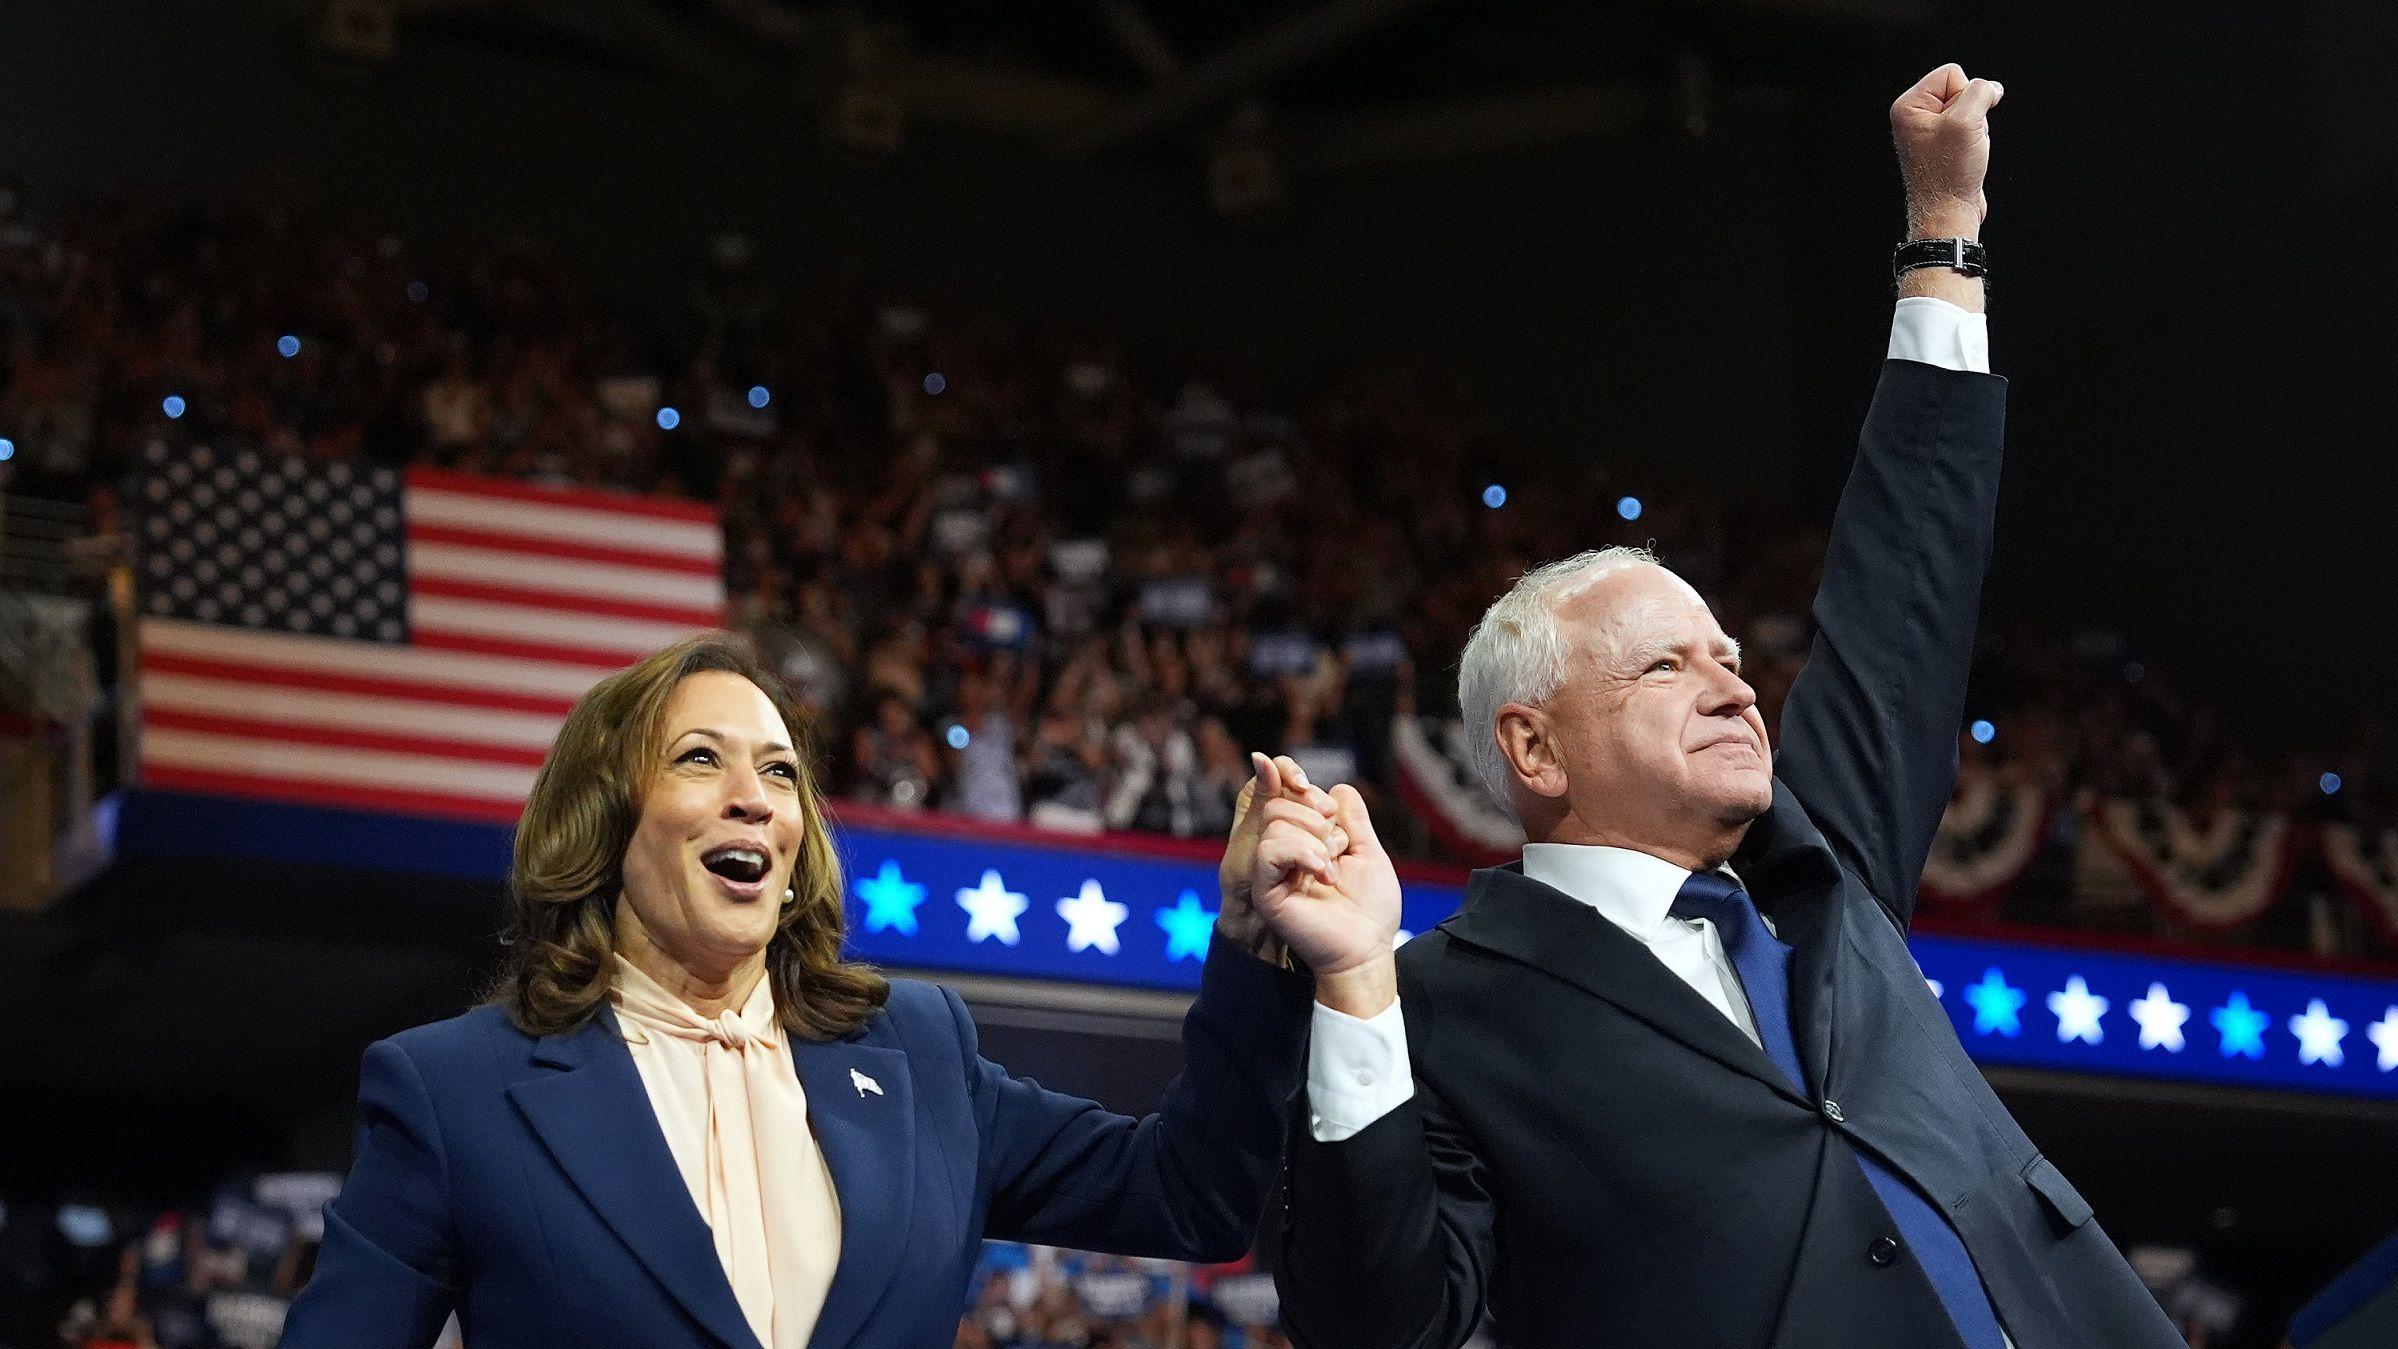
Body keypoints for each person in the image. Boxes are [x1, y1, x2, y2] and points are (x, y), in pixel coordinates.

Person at [1268, 67, 2183, 1348]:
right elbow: (1379, 1321)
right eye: (1666, 665)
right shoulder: (1441, 1005)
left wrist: (1941, 238)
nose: (1733, 682)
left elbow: (1903, 592)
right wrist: (1356, 980)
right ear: (1532, 743)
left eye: (1731, 657)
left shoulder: (1816, 870)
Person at [278, 631, 1383, 1348]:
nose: (754, 797)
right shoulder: (456, 1088)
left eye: (780, 771)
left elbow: (1186, 1194)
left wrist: (1250, 946)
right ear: (604, 820)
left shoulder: (916, 1050)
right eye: (700, 759)